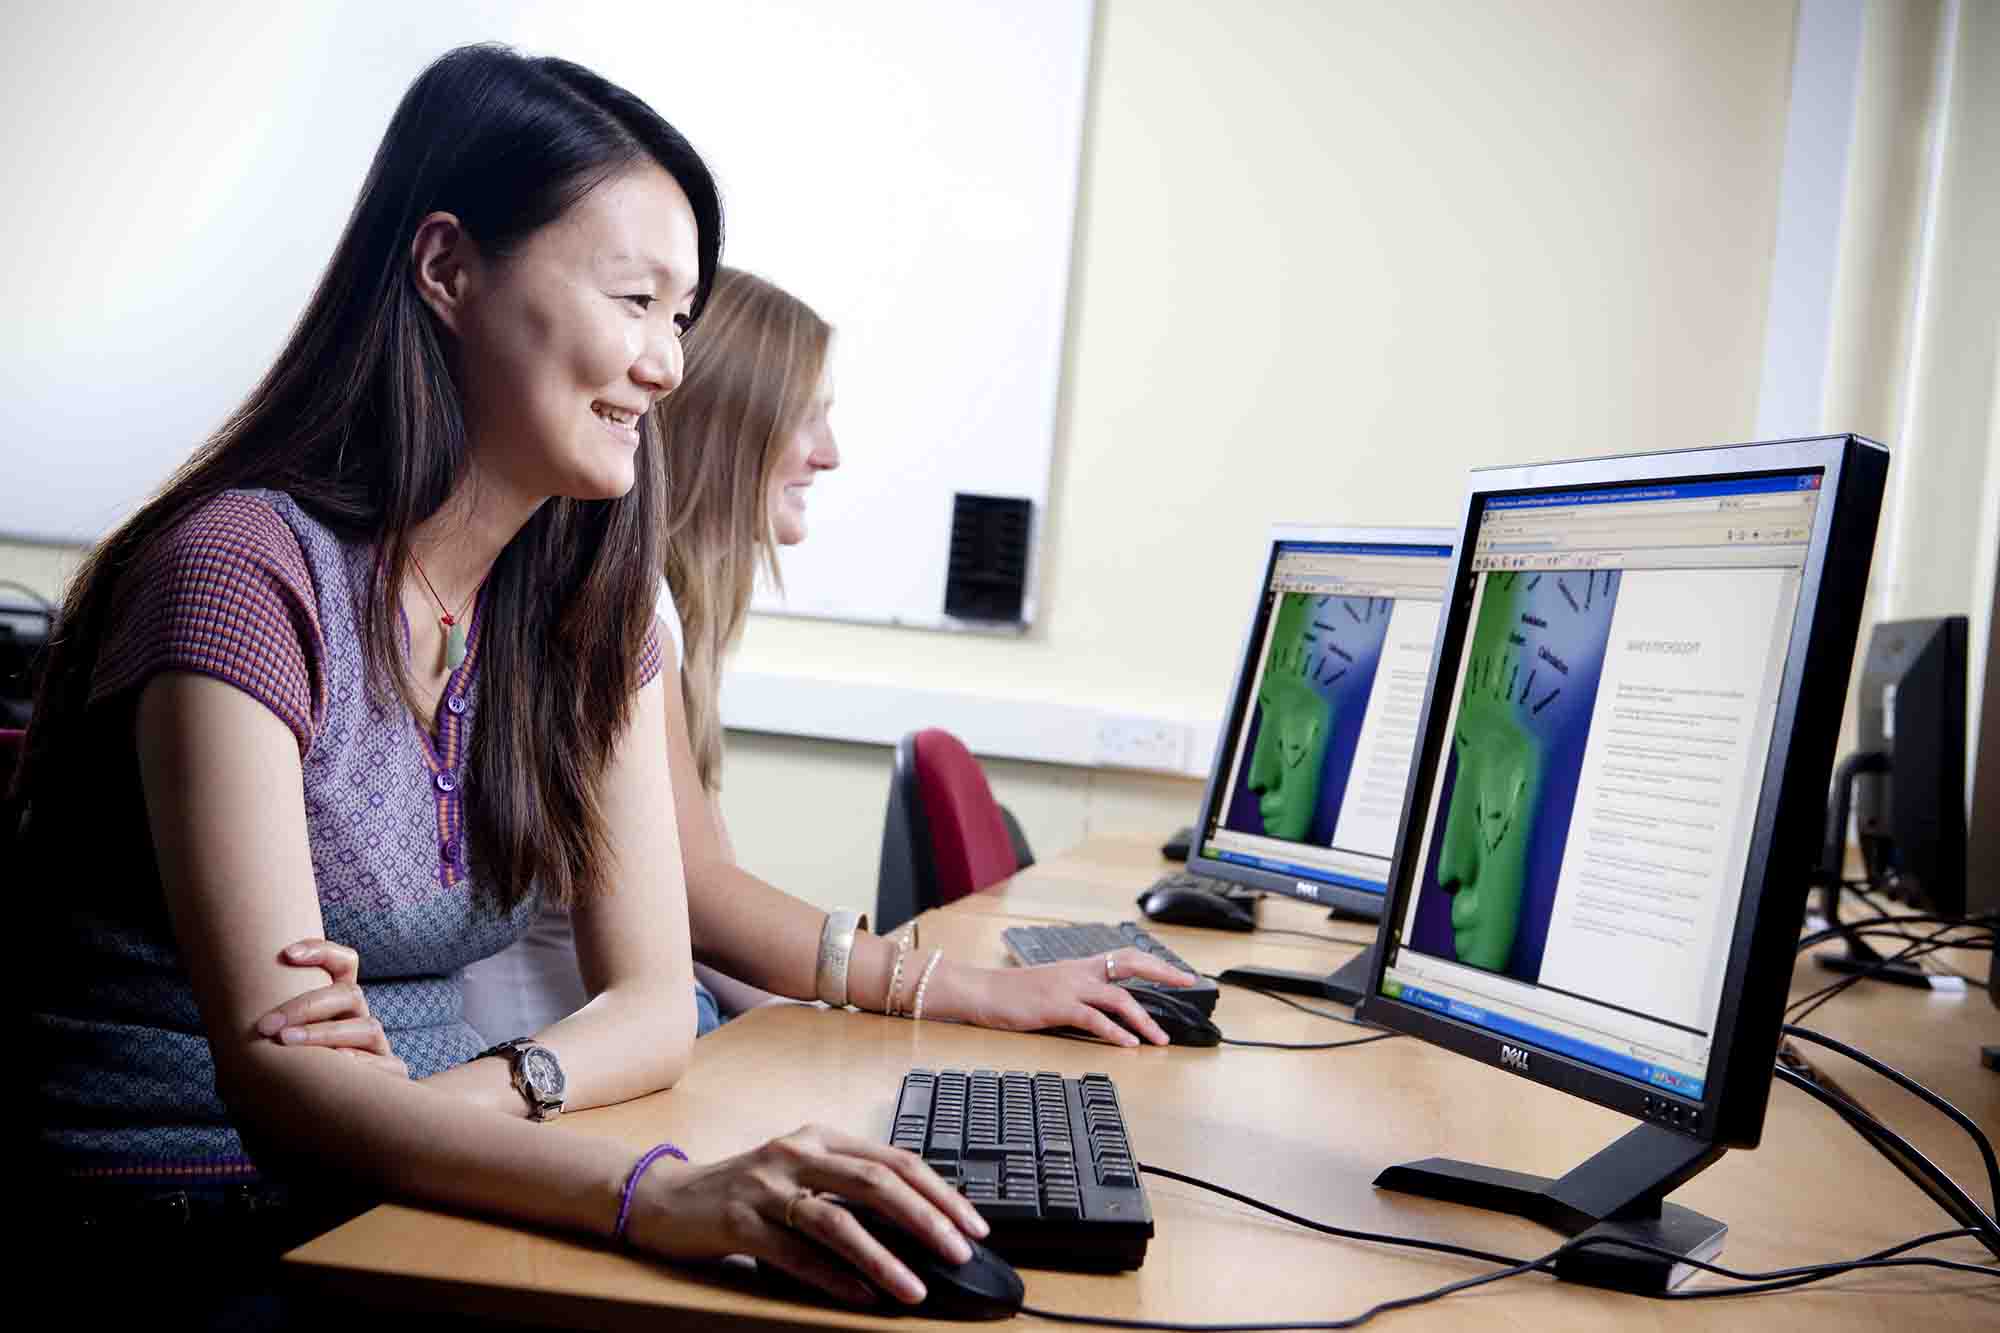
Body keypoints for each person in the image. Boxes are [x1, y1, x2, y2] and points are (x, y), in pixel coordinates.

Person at [22, 46, 986, 1325]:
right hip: (175, 1211)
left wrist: (441, 1105)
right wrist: (651, 1191)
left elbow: (650, 1003)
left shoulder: (581, 597)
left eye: (681, 317)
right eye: (633, 300)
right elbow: (277, 1085)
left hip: (404, 1180)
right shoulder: (243, 573)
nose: (666, 366)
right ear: (445, 270)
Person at [463, 267, 1201, 1046]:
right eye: (805, 417)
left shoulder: (667, 612)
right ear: (728, 428)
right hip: (562, 1070)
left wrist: (860, 1020)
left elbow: (711, 927)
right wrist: (958, 991)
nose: (830, 453)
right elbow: (701, 898)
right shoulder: (624, 604)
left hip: (620, 1050)